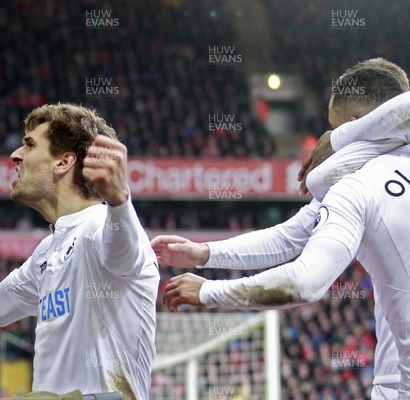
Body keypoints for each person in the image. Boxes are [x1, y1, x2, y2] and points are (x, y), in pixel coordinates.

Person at [152, 58, 410, 399]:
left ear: (355, 124)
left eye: (329, 129)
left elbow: (304, 282)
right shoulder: (358, 184)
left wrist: (209, 293)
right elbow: (290, 235)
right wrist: (207, 253)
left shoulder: (357, 188)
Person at [0, 103, 160, 400]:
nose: (15, 155)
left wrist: (119, 202)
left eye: (30, 144)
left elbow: (123, 253)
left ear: (63, 162)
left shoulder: (100, 227)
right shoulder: (48, 250)